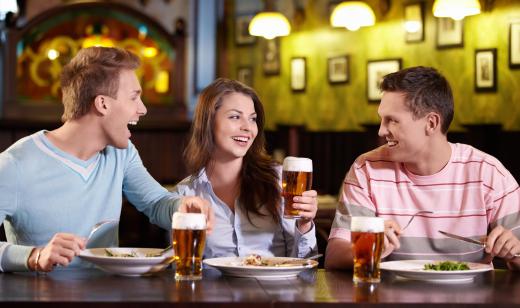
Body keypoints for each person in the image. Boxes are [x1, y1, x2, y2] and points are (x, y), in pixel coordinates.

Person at [0, 47, 213, 273]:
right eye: (134, 97)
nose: (142, 109)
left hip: (109, 297)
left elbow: (156, 203)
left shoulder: (121, 153)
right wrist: (34, 255)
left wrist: (182, 206)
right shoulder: (15, 164)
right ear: (102, 104)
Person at [325, 66, 520, 270]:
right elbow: (334, 256)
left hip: (470, 300)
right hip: (389, 298)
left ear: (432, 123)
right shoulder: (367, 169)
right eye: (382, 119)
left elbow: (517, 254)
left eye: (392, 120)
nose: (382, 130)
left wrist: (514, 252)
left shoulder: (487, 173)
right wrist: (369, 247)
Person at [170, 78, 318, 258]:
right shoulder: (184, 195)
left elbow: (305, 265)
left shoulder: (279, 181)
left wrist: (305, 224)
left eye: (253, 119)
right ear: (208, 122)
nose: (248, 128)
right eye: (235, 117)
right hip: (213, 286)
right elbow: (180, 266)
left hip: (275, 286)